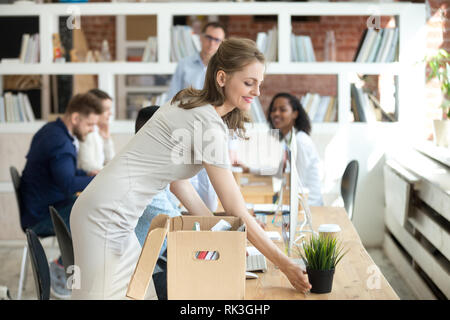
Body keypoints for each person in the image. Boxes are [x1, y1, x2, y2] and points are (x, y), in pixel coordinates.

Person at [70, 38, 311, 300]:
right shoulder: (206, 122)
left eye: (259, 84)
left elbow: (178, 183)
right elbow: (235, 207)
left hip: (112, 215)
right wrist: (285, 264)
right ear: (222, 78)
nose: (257, 92)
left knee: (140, 295)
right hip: (106, 217)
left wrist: (218, 234)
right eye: (248, 83)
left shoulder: (188, 103)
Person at [19, 92, 103, 298]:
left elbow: (65, 174)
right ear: (75, 118)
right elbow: (67, 184)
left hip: (43, 204)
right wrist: (101, 179)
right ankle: (60, 267)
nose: (92, 130)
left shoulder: (52, 130)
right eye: (90, 125)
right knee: (94, 218)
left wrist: (88, 174)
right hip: (41, 216)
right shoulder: (60, 143)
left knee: (91, 211)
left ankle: (82, 271)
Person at [166, 22, 227, 211]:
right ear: (201, 38)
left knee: (209, 194)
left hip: (210, 135)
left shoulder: (223, 71)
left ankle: (204, 229)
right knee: (182, 186)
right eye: (209, 37)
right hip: (185, 133)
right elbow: (172, 99)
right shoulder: (184, 65)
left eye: (217, 40)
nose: (212, 43)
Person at [267, 92, 324, 206]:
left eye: (282, 110)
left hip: (308, 206)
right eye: (273, 110)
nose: (276, 114)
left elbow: (298, 183)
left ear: (295, 114)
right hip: (297, 202)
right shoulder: (290, 139)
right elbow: (280, 171)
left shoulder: (300, 142)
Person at [77, 89, 115, 174]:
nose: (110, 113)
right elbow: (87, 167)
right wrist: (111, 173)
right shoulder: (87, 132)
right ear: (94, 109)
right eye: (106, 109)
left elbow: (111, 162)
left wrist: (107, 139)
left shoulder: (97, 131)